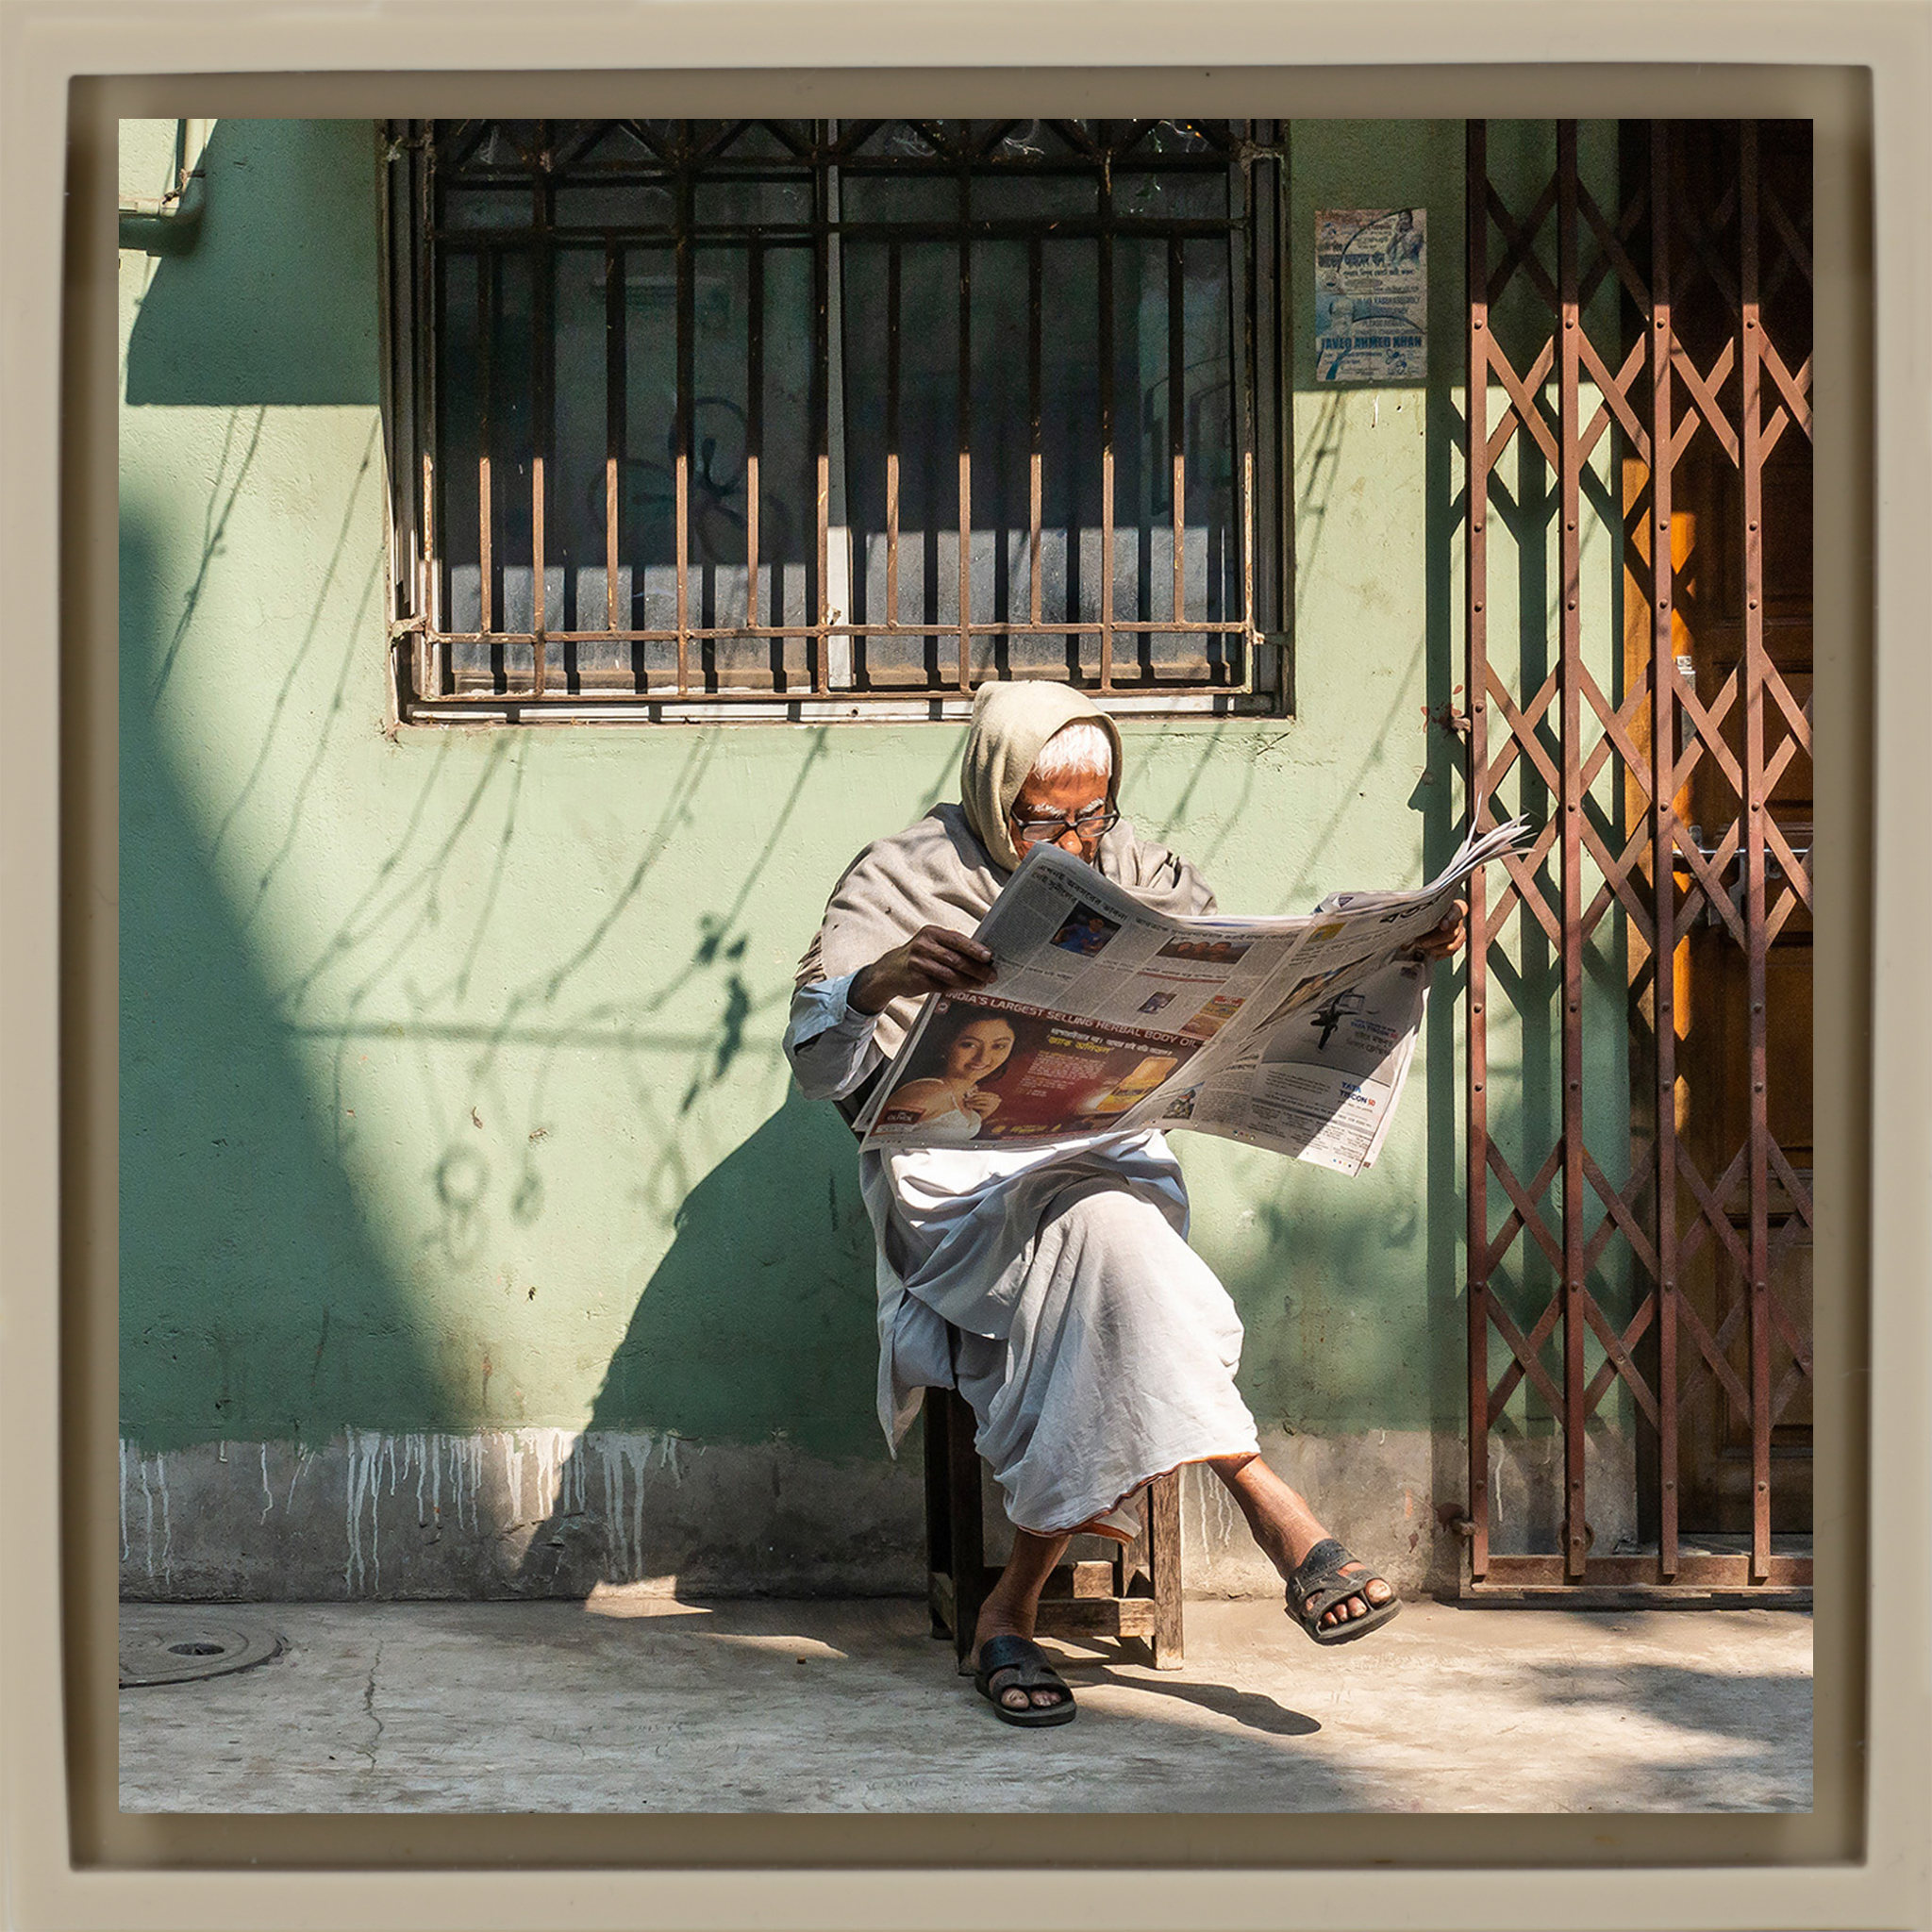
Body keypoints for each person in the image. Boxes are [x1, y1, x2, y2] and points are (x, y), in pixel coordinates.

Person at [784, 681, 1464, 1727]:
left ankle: (1006, 1612)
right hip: (959, 1190)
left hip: (1105, 1152)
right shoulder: (898, 873)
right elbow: (817, 1060)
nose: (1070, 837)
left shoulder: (1135, 860)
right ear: (990, 783)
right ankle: (1270, 1505)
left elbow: (1241, 987)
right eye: (1040, 815)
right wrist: (874, 984)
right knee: (1114, 1240)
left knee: (1108, 1226)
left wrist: (1379, 959)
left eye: (1088, 813)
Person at [876, 1012, 1017, 1141]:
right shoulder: (925, 1093)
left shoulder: (971, 1092)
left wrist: (981, 1115)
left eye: (999, 1046)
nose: (983, 1058)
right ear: (946, 1045)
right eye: (969, 1045)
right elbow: (879, 1141)